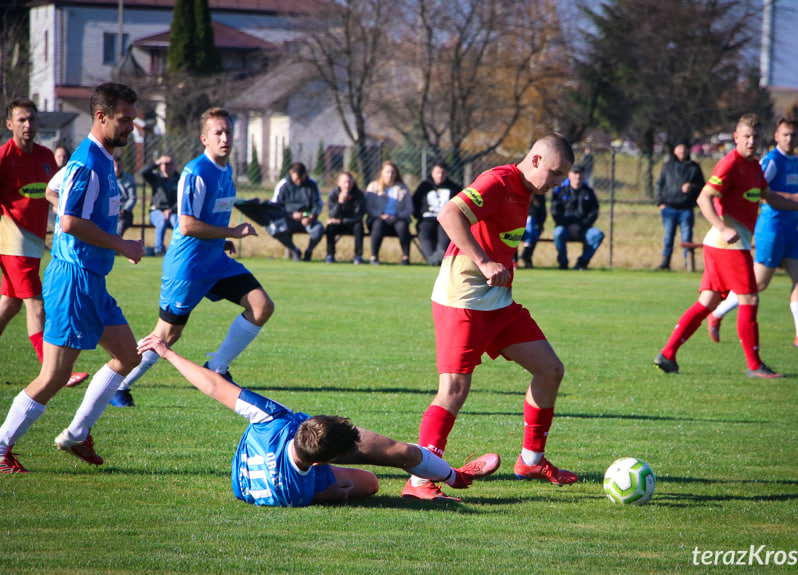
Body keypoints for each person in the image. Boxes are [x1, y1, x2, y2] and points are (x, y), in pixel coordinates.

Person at [403, 133, 578, 502]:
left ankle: (530, 460)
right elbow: (448, 212)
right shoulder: (498, 182)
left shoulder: (528, 191)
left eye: (563, 175)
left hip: (498, 302)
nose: (558, 181)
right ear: (534, 160)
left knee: (550, 369)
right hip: (462, 299)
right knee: (453, 390)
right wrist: (483, 262)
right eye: (555, 172)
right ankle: (419, 481)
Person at [137, 334, 500, 506]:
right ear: (327, 461)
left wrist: (167, 353)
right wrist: (339, 492)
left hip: (244, 483)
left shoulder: (273, 429)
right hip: (281, 469)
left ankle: (444, 475)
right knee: (376, 477)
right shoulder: (293, 470)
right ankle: (455, 477)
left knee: (366, 479)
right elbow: (215, 385)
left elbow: (215, 386)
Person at [0, 82, 144, 473]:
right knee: (54, 376)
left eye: (132, 118)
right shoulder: (87, 162)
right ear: (101, 117)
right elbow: (69, 220)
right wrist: (121, 245)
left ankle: (77, 434)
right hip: (73, 281)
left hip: (92, 280)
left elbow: (51, 190)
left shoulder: (99, 159)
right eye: (125, 119)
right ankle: (0, 448)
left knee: (129, 356)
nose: (131, 126)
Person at [110, 108, 274, 408]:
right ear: (204, 139)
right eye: (218, 133)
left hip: (215, 263)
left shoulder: (226, 172)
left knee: (261, 307)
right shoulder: (196, 172)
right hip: (187, 268)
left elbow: (208, 219)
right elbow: (186, 225)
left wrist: (222, 240)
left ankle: (217, 368)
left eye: (228, 132)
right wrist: (233, 232)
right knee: (167, 335)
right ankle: (118, 384)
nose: (225, 138)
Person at [653, 114, 798, 379]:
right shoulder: (729, 163)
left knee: (708, 301)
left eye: (756, 137)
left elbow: (768, 196)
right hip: (726, 243)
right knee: (750, 298)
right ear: (736, 137)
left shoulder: (754, 166)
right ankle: (755, 366)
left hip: (725, 243)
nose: (752, 141)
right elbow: (703, 197)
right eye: (747, 136)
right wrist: (722, 227)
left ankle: (668, 354)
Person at [707, 117, 798, 348]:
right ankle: (717, 313)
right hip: (771, 230)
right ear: (776, 136)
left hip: (791, 231)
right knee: (758, 284)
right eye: (785, 135)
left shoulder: (793, 162)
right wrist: (794, 200)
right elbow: (762, 192)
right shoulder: (771, 161)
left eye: (793, 135)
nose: (789, 139)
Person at [0, 99, 87, 388]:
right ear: (10, 124)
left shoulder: (46, 156)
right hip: (13, 242)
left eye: (33, 119)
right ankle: (54, 372)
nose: (28, 125)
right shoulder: (3, 158)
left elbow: (59, 194)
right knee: (36, 306)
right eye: (22, 120)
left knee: (10, 304)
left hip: (34, 242)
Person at [654, 138, 705, 270]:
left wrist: (692, 187)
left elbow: (703, 187)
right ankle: (665, 263)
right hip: (669, 208)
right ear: (675, 151)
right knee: (668, 237)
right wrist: (660, 203)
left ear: (688, 151)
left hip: (686, 209)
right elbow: (659, 185)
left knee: (687, 237)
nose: (682, 151)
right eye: (679, 148)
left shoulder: (694, 167)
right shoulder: (668, 166)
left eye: (684, 149)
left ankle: (688, 263)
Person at [551, 166, 604, 270]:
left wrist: (580, 226)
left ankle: (582, 263)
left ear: (584, 175)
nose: (577, 176)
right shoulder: (560, 190)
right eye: (575, 173)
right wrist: (567, 225)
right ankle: (563, 263)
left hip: (583, 229)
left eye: (580, 173)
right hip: (564, 228)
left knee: (598, 234)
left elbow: (593, 212)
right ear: (569, 175)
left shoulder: (589, 192)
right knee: (558, 233)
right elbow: (555, 212)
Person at [270, 162, 324, 262]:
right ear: (291, 173)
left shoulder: (312, 185)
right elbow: (275, 206)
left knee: (319, 229)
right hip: (287, 220)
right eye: (296, 179)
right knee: (274, 229)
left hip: (307, 219)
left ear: (305, 174)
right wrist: (290, 215)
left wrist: (309, 216)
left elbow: (317, 204)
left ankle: (309, 251)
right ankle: (294, 250)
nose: (299, 181)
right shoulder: (283, 185)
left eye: (301, 179)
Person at [365, 161, 412, 265]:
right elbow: (368, 207)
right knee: (378, 225)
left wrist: (398, 215)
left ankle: (405, 257)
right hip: (378, 219)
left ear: (396, 174)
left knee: (403, 226)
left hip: (397, 219)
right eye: (387, 172)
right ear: (382, 172)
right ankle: (374, 257)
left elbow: (409, 209)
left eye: (392, 172)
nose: (390, 175)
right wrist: (381, 215)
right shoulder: (373, 187)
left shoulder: (402, 189)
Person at [413, 161, 460, 266]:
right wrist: (419, 215)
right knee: (424, 233)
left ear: (446, 173)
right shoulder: (424, 187)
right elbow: (416, 203)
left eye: (443, 173)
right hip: (427, 219)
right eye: (438, 172)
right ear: (432, 172)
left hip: (445, 219)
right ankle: (431, 258)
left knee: (446, 233)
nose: (440, 175)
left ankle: (441, 256)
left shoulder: (454, 188)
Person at [324, 171, 366, 264]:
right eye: (345, 182)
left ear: (353, 183)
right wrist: (339, 203)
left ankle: (358, 256)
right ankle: (330, 255)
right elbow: (332, 215)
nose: (347, 185)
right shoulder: (333, 194)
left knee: (359, 226)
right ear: (339, 183)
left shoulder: (358, 195)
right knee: (330, 227)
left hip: (352, 223)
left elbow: (359, 216)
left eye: (349, 182)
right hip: (338, 224)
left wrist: (342, 221)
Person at [143, 155, 180, 255]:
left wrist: (171, 209)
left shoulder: (180, 179)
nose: (168, 167)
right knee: (161, 221)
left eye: (170, 164)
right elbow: (143, 172)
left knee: (177, 222)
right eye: (165, 164)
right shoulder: (156, 178)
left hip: (173, 212)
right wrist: (156, 162)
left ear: (175, 166)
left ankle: (176, 250)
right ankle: (159, 250)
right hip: (156, 211)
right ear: (161, 166)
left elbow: (182, 199)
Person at [519, 192, 547, 269]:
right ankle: (527, 255)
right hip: (521, 224)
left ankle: (526, 253)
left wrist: (539, 225)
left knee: (534, 232)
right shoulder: (524, 194)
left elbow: (543, 215)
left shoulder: (540, 197)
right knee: (532, 231)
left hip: (534, 225)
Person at [114, 155, 137, 238]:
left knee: (119, 227)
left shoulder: (129, 179)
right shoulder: (107, 179)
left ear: (122, 166)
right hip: (111, 211)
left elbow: (132, 198)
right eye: (114, 166)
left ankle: (114, 246)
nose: (116, 169)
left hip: (125, 214)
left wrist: (123, 211)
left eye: (119, 166)